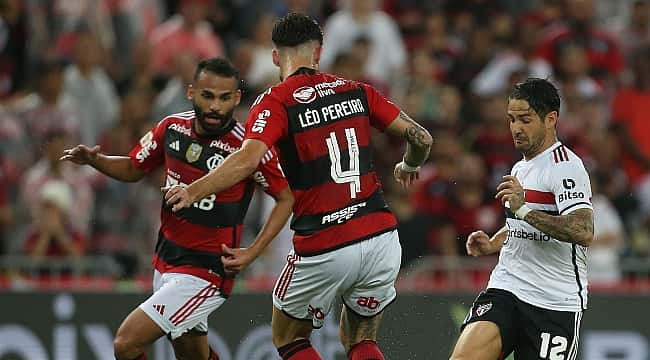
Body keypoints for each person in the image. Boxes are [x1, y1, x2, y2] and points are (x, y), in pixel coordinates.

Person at [164, 13, 433, 360]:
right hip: (379, 235)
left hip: (325, 242)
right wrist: (410, 163)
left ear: (276, 56)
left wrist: (192, 190)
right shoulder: (357, 90)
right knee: (361, 338)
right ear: (318, 53)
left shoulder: (276, 101)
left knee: (289, 336)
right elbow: (421, 137)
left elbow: (247, 160)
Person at [61, 57, 293, 360]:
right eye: (207, 96)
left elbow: (286, 197)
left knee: (126, 344)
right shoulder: (172, 129)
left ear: (236, 99)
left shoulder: (248, 149)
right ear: (191, 92)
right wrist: (96, 160)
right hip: (166, 261)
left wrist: (253, 251)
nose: (214, 107)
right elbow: (134, 167)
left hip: (206, 271)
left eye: (224, 98)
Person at [449, 78, 594, 360]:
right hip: (508, 287)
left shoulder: (566, 168)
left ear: (551, 119)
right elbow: (522, 221)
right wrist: (494, 243)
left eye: (525, 120)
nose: (516, 128)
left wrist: (524, 208)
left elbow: (583, 230)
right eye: (512, 119)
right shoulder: (520, 167)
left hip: (554, 302)